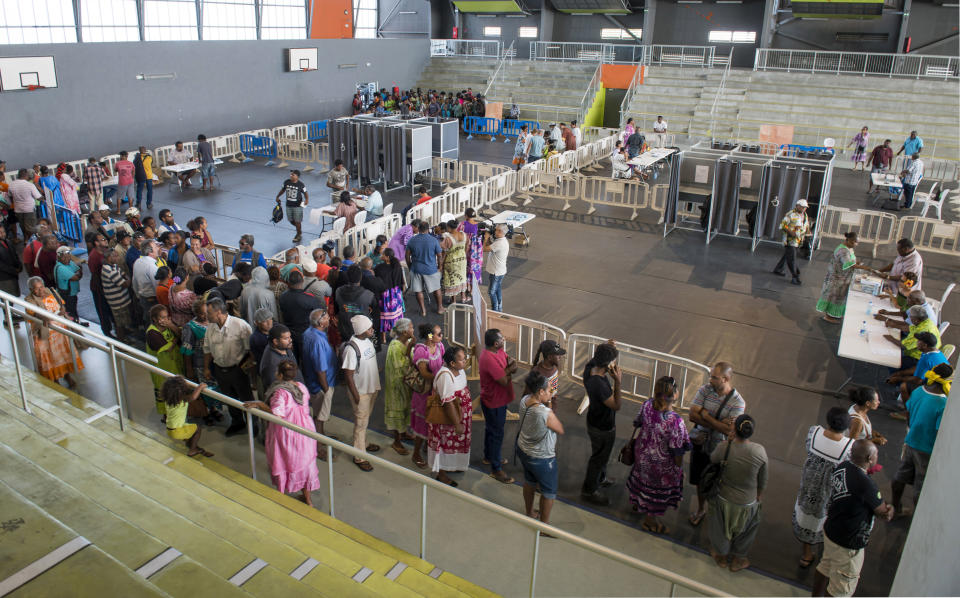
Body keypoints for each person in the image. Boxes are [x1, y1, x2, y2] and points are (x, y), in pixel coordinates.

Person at [812, 440, 894, 597]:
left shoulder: (843, 466)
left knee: (826, 566)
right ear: (870, 458)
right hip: (848, 542)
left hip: (832, 529)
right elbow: (884, 513)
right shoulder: (866, 484)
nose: (878, 456)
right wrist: (891, 508)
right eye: (876, 453)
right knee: (840, 587)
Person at [246, 360, 320, 506]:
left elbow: (277, 414)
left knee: (283, 463)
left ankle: (281, 499)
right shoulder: (301, 387)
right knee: (304, 465)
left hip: (287, 433)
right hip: (305, 431)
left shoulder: (281, 392)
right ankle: (308, 499)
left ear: (279, 375)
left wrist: (261, 404)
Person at [626, 376, 691, 534]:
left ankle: (638, 504)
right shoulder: (675, 421)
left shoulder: (647, 405)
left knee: (641, 482)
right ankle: (650, 522)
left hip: (641, 455)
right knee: (655, 494)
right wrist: (678, 468)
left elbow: (638, 422)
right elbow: (677, 450)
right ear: (674, 395)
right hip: (660, 466)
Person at [793, 407, 854, 569]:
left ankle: (806, 552)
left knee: (807, 517)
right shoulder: (848, 447)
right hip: (829, 492)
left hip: (809, 486)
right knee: (826, 519)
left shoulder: (814, 433)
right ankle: (825, 554)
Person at [706, 415, 767, 572]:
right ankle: (738, 560)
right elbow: (763, 479)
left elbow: (713, 459)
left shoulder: (724, 447)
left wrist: (729, 440)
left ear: (734, 430)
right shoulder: (759, 451)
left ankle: (721, 557)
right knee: (746, 531)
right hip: (748, 501)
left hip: (724, 497)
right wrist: (758, 495)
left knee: (720, 529)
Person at [688, 362, 746, 526]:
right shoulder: (705, 390)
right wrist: (720, 423)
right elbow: (692, 415)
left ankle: (713, 511)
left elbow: (730, 431)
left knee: (717, 483)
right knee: (699, 480)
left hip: (720, 450)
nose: (710, 379)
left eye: (714, 377)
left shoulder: (738, 402)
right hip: (701, 445)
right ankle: (701, 509)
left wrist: (705, 416)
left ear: (726, 379)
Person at [891, 363, 952, 518]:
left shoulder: (919, 391)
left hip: (911, 439)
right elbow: (939, 431)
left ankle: (895, 507)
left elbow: (909, 412)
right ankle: (917, 519)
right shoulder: (943, 404)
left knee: (901, 475)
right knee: (920, 486)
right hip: (926, 448)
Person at [517, 369, 564, 527]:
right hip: (542, 458)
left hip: (524, 450)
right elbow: (559, 429)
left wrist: (547, 401)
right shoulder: (545, 413)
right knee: (549, 492)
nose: (552, 392)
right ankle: (544, 526)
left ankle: (529, 512)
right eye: (549, 390)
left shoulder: (524, 400)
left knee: (529, 482)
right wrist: (549, 404)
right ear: (540, 391)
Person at [204, 297, 256, 436]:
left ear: (219, 312)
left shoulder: (240, 325)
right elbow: (207, 349)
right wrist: (207, 368)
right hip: (220, 370)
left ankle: (254, 425)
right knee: (229, 398)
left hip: (238, 370)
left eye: (209, 313)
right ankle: (237, 422)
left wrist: (251, 375)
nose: (206, 316)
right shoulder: (211, 328)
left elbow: (250, 352)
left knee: (247, 399)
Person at [580, 341, 622, 506]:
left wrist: (607, 345)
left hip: (594, 421)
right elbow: (616, 406)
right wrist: (618, 382)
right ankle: (589, 490)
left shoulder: (589, 369)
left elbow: (599, 356)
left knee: (600, 456)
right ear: (610, 364)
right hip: (603, 427)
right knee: (598, 458)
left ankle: (601, 478)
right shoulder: (599, 385)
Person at [23, 276, 83, 389]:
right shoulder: (29, 300)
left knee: (63, 355)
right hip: (45, 336)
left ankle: (67, 376)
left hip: (60, 333)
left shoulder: (51, 292)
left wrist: (62, 310)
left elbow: (61, 304)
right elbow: (34, 313)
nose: (41, 290)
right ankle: (55, 380)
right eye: (37, 289)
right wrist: (45, 316)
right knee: (50, 358)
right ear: (31, 290)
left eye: (42, 287)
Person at [428, 345, 472, 486]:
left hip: (460, 416)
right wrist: (456, 423)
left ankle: (453, 465)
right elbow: (448, 403)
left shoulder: (459, 370)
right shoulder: (445, 376)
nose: (465, 361)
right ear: (452, 363)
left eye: (465, 358)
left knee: (455, 444)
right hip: (448, 419)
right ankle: (441, 473)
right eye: (462, 359)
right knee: (444, 445)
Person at [341, 314, 381, 472]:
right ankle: (359, 456)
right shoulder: (352, 349)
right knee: (360, 424)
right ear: (362, 330)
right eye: (369, 328)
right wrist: (357, 396)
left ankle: (362, 444)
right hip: (361, 393)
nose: (372, 330)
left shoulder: (367, 340)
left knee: (364, 421)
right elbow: (348, 375)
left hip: (371, 389)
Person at [478, 328, 518, 484]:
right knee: (497, 434)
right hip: (494, 402)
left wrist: (509, 367)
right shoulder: (488, 358)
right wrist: (510, 370)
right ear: (495, 343)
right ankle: (496, 469)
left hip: (497, 399)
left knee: (491, 430)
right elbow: (503, 380)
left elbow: (509, 360)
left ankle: (489, 457)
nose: (504, 340)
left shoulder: (498, 352)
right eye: (502, 339)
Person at [410, 323, 445, 469]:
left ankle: (426, 445)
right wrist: (441, 378)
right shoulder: (421, 351)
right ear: (430, 336)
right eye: (438, 334)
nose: (441, 336)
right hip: (424, 394)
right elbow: (424, 373)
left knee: (433, 421)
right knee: (423, 424)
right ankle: (416, 453)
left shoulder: (440, 347)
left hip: (436, 391)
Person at [816, 232, 871, 323]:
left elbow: (851, 261)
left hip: (843, 279)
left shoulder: (849, 248)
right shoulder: (843, 251)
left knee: (838, 298)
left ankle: (833, 315)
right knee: (833, 297)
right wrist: (867, 268)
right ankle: (829, 316)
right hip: (837, 279)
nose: (856, 244)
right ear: (848, 240)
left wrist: (856, 263)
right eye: (855, 242)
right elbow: (849, 264)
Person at [301, 308, 337, 444]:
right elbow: (320, 370)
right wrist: (326, 390)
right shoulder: (318, 342)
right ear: (321, 323)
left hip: (313, 382)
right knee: (320, 416)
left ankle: (321, 436)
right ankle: (319, 445)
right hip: (321, 385)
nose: (329, 319)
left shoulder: (309, 333)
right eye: (327, 318)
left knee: (318, 413)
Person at [145, 303, 184, 418]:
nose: (166, 320)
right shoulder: (152, 333)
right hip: (161, 368)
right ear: (155, 319)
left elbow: (180, 333)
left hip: (174, 364)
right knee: (164, 390)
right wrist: (176, 338)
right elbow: (168, 348)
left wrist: (171, 326)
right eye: (162, 317)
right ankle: (166, 415)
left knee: (176, 389)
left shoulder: (169, 325)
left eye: (167, 317)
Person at [383, 318, 415, 455]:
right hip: (397, 388)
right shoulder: (395, 347)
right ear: (404, 331)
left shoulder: (406, 341)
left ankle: (404, 432)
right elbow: (401, 366)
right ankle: (397, 441)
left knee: (405, 410)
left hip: (405, 386)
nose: (413, 330)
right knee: (398, 412)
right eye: (411, 328)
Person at [159, 377, 213, 457]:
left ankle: (189, 442)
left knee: (190, 427)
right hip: (178, 431)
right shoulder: (181, 400)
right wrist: (200, 386)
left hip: (170, 430)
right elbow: (193, 397)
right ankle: (193, 449)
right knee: (198, 428)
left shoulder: (169, 400)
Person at [278, 269, 323, 360]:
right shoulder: (310, 299)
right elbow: (319, 316)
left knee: (293, 360)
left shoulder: (282, 297)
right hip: (306, 335)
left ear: (288, 283)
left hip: (289, 335)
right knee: (307, 361)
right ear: (302, 282)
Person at [883, 304, 940, 370]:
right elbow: (908, 328)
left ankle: (895, 375)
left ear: (916, 320)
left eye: (911, 318)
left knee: (891, 361)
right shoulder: (926, 321)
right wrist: (892, 324)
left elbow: (904, 345)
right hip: (927, 353)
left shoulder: (921, 330)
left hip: (918, 357)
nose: (909, 319)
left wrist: (891, 338)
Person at [406, 221, 444, 317]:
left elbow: (407, 255)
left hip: (416, 268)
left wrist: (410, 266)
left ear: (418, 229)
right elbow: (439, 255)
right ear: (428, 229)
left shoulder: (412, 240)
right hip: (431, 269)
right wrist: (440, 267)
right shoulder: (434, 240)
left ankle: (423, 311)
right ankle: (440, 308)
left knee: (418, 290)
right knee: (437, 289)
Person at [772, 199, 811, 285]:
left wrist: (807, 233)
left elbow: (806, 225)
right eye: (802, 207)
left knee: (788, 255)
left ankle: (778, 268)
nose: (803, 209)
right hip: (790, 240)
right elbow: (782, 225)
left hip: (799, 240)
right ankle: (795, 276)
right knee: (792, 258)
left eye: (805, 207)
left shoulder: (805, 215)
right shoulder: (790, 214)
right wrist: (790, 232)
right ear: (797, 206)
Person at [373, 248, 405, 344]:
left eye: (383, 255)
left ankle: (383, 338)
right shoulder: (397, 266)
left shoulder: (379, 268)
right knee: (396, 315)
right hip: (396, 294)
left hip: (385, 295)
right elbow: (401, 282)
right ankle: (397, 334)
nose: (381, 256)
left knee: (384, 316)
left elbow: (377, 282)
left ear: (387, 257)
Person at [259, 323, 303, 389]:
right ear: (276, 341)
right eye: (286, 338)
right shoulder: (272, 364)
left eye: (290, 337)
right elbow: (275, 388)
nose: (290, 340)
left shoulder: (284, 347)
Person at [132, 239, 161, 325]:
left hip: (143, 298)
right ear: (150, 252)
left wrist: (139, 295)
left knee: (148, 320)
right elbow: (157, 286)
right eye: (155, 247)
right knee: (154, 323)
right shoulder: (151, 266)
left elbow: (134, 282)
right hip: (152, 300)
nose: (158, 248)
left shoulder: (137, 262)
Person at [276, 170, 308, 243]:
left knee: (297, 221)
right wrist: (278, 196)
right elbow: (282, 190)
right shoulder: (286, 182)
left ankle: (298, 234)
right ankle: (299, 228)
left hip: (297, 206)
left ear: (297, 177)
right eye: (291, 174)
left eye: (293, 175)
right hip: (289, 205)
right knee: (290, 220)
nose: (291, 176)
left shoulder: (301, 184)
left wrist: (306, 200)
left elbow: (305, 193)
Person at [441, 218, 468, 302]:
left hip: (451, 262)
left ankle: (454, 300)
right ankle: (463, 297)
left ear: (449, 228)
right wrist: (463, 254)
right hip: (462, 261)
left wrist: (441, 263)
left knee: (452, 280)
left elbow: (444, 253)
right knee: (462, 277)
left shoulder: (448, 239)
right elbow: (467, 245)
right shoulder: (464, 235)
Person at [9, 169, 42, 239]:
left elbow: (10, 197)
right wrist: (44, 198)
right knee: (31, 227)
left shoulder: (11, 184)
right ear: (26, 175)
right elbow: (38, 197)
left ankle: (26, 240)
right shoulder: (29, 185)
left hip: (18, 209)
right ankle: (32, 242)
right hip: (29, 209)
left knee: (22, 226)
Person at [53, 246, 82, 323]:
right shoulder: (61, 268)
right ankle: (74, 328)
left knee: (73, 310)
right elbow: (76, 277)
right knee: (70, 313)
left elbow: (79, 271)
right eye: (64, 257)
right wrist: (78, 273)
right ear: (58, 257)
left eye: (69, 257)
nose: (67, 259)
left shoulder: (69, 263)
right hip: (67, 296)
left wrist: (78, 272)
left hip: (72, 294)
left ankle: (77, 322)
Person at [484, 223, 509, 312]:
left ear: (500, 232)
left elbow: (484, 249)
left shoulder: (500, 243)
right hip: (499, 271)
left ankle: (495, 310)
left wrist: (486, 237)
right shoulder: (501, 241)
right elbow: (490, 246)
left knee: (491, 292)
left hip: (496, 272)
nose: (494, 231)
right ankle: (499, 308)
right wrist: (488, 240)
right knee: (497, 290)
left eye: (496, 230)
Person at [458, 208, 484, 291]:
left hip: (466, 250)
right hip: (477, 253)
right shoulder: (479, 226)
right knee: (475, 269)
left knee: (465, 268)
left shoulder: (462, 225)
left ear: (466, 216)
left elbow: (458, 236)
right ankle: (473, 290)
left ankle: (466, 288)